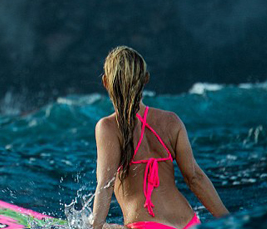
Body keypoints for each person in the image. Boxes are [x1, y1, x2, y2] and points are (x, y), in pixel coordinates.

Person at [91, 46, 229, 229]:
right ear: (145, 79)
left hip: (146, 225)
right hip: (189, 223)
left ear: (106, 82)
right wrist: (230, 221)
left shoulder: (108, 127)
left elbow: (105, 185)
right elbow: (194, 177)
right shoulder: (172, 121)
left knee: (100, 225)